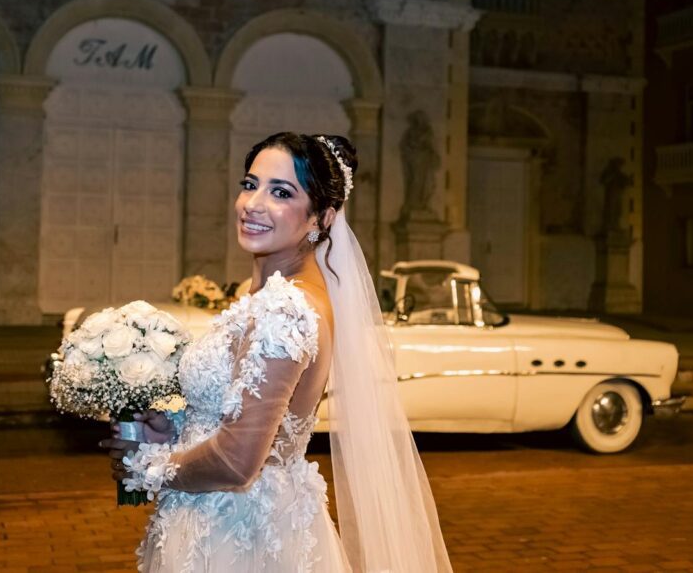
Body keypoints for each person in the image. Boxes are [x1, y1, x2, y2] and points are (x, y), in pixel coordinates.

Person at [101, 132, 452, 571]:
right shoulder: (274, 295)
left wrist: (147, 468)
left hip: (237, 537)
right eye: (250, 184)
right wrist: (173, 427)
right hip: (230, 521)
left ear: (321, 219)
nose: (253, 203)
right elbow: (254, 419)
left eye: (281, 192)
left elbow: (236, 462)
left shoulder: (284, 308)